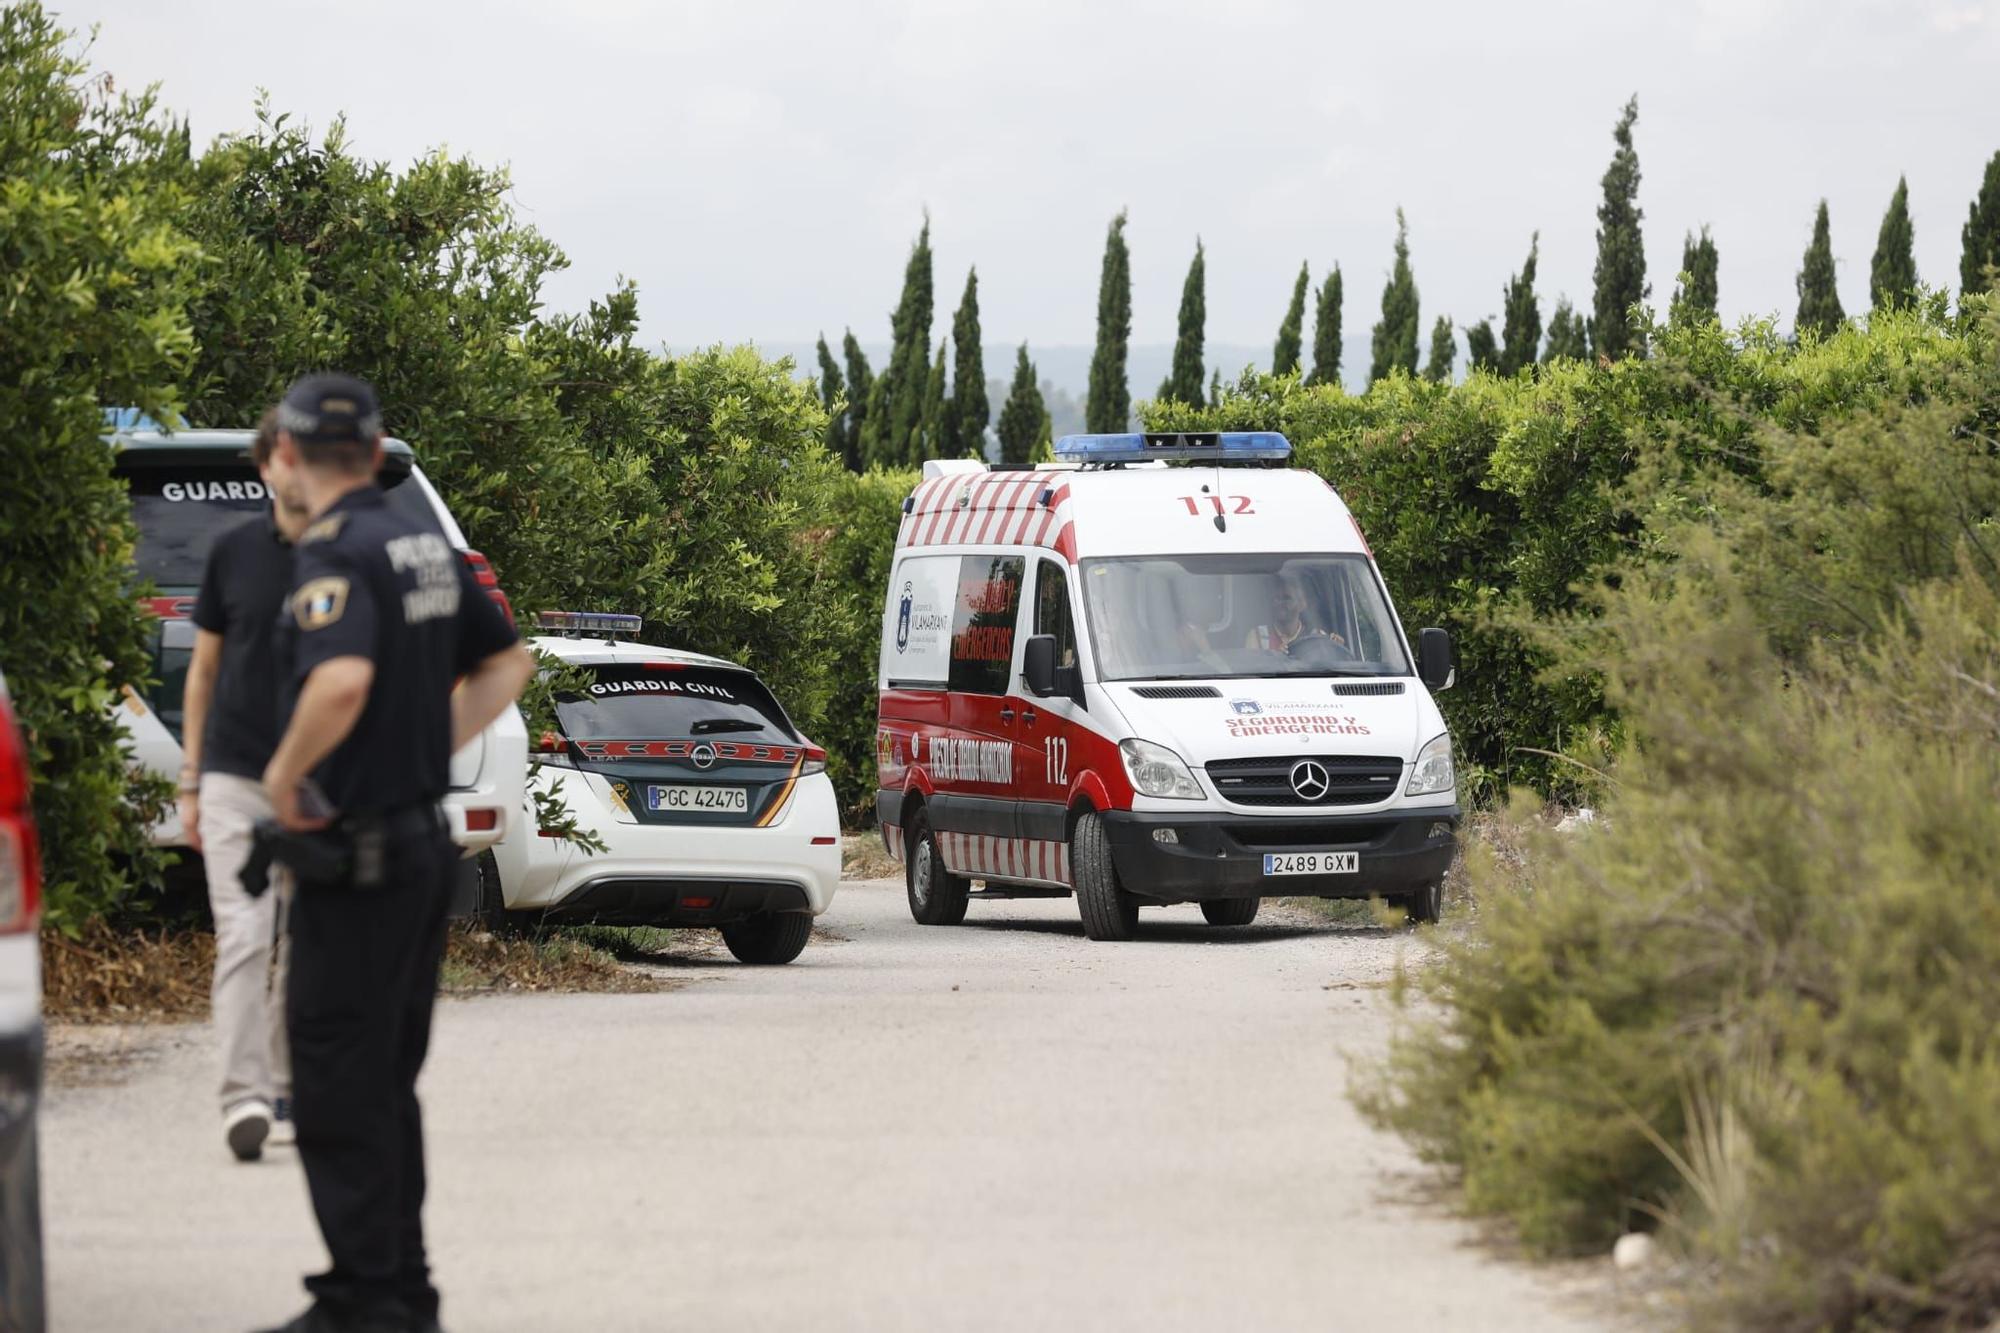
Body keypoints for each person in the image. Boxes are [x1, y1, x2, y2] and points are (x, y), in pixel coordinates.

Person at [256, 374, 534, 1333]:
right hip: (424, 841)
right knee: (384, 1077)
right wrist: (428, 741)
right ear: (375, 456)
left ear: (286, 455)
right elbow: (509, 661)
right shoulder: (422, 542)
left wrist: (286, 779)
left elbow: (337, 680)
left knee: (333, 1080)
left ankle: (365, 1299)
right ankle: (398, 1290)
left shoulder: (337, 550)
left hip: (360, 854)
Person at [180, 408, 310, 1161]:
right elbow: (202, 671)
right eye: (284, 458)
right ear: (265, 468)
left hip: (316, 785)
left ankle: (288, 1083)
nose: (296, 470)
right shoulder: (232, 553)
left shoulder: (345, 556)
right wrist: (193, 780)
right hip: (232, 776)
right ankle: (244, 1097)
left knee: (304, 938)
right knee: (245, 932)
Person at [1245, 572, 1339, 656]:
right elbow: (1251, 669)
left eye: (1287, 598)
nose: (1280, 603)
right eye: (1276, 598)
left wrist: (1336, 648)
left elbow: (1326, 666)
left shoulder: (1317, 636)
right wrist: (1274, 658)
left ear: (1302, 604)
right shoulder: (1258, 636)